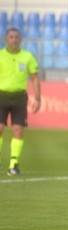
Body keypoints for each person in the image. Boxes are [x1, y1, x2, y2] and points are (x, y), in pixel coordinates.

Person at [0, 28, 41, 176]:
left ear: (20, 39)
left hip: (19, 97)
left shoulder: (27, 57)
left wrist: (37, 98)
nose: (14, 40)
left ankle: (13, 164)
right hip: (1, 96)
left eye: (17, 37)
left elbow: (35, 78)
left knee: (18, 129)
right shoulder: (0, 56)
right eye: (11, 37)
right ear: (6, 39)